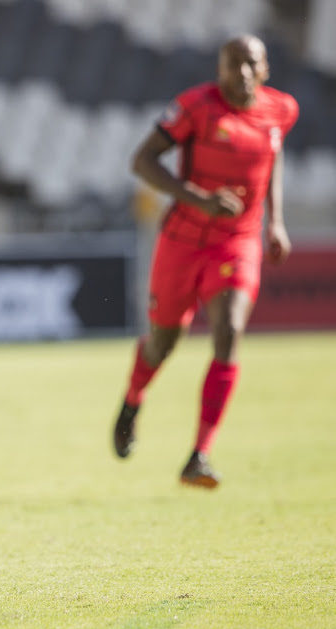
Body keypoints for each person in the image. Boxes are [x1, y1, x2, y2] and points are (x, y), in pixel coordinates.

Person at [112, 34, 298, 488]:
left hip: (237, 241)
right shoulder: (195, 106)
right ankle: (133, 399)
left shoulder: (282, 110)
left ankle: (200, 455)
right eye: (233, 64)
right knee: (164, 342)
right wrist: (199, 199)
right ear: (220, 69)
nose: (243, 72)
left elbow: (271, 158)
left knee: (229, 329)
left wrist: (275, 222)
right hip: (183, 240)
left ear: (266, 68)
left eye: (251, 63)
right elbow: (143, 161)